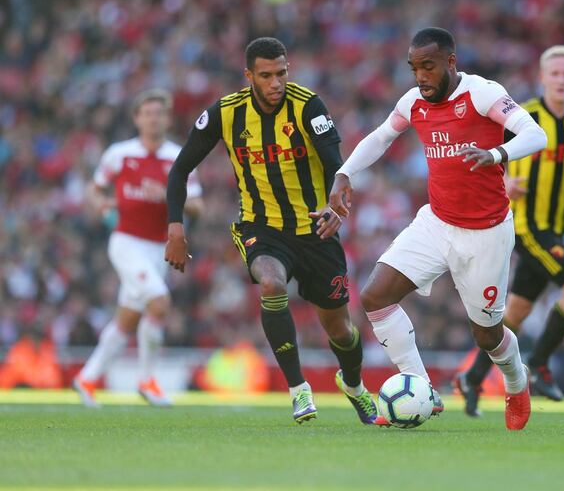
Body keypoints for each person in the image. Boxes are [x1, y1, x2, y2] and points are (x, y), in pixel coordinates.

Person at [330, 27, 548, 430]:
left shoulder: (482, 93)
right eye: (414, 68)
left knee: (487, 337)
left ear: (450, 62)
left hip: (486, 232)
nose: (420, 76)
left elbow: (537, 134)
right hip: (437, 221)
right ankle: (423, 391)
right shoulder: (413, 101)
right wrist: (345, 172)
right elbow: (380, 138)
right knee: (376, 295)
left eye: (428, 66)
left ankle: (517, 382)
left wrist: (496, 152)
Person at [165, 37, 377, 425]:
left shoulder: (308, 106)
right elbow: (180, 169)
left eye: (281, 73)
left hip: (316, 228)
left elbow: (336, 165)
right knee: (271, 284)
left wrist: (334, 207)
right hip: (261, 227)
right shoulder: (225, 113)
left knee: (341, 330)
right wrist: (175, 228)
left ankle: (354, 386)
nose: (276, 82)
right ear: (249, 76)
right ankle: (299, 391)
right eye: (266, 75)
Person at [454, 45, 564, 415]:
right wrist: (504, 182)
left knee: (517, 312)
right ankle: (538, 365)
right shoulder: (522, 115)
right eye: (554, 73)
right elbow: (488, 156)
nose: (561, 80)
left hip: (554, 228)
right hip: (525, 225)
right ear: (543, 77)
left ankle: (471, 378)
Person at [73, 89, 204, 408]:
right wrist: (101, 205)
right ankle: (147, 380)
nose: (153, 118)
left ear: (167, 118)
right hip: (126, 241)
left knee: (128, 319)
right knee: (159, 303)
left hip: (159, 249)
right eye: (147, 113)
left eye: (159, 113)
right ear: (137, 118)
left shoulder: (179, 157)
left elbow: (198, 206)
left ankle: (87, 377)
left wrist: (169, 196)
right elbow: (94, 189)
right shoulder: (119, 154)